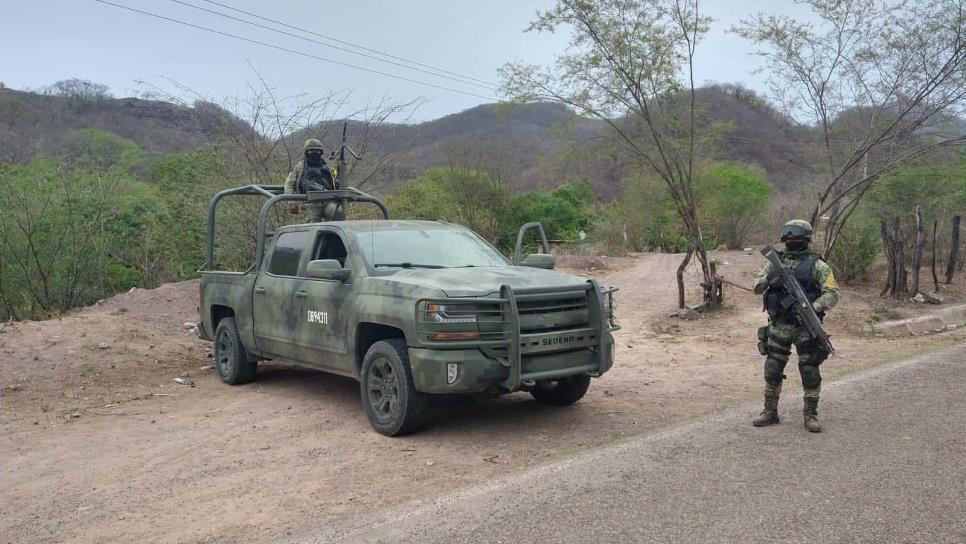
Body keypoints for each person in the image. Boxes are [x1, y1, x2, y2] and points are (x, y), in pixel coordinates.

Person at [752, 220, 839, 432]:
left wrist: (812, 307)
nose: (792, 242)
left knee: (809, 370)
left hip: (805, 327)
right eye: (789, 239)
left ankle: (810, 415)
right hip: (779, 325)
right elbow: (756, 287)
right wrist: (770, 280)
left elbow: (832, 294)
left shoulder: (818, 265)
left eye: (797, 239)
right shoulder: (774, 263)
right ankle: (769, 412)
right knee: (772, 368)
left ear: (805, 240)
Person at [284, 138, 343, 222]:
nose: (314, 153)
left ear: (321, 152)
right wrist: (291, 202)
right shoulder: (299, 167)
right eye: (311, 151)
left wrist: (338, 183)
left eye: (317, 151)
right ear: (306, 152)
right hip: (310, 202)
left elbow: (337, 183)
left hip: (328, 200)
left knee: (337, 213)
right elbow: (289, 184)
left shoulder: (328, 166)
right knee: (312, 222)